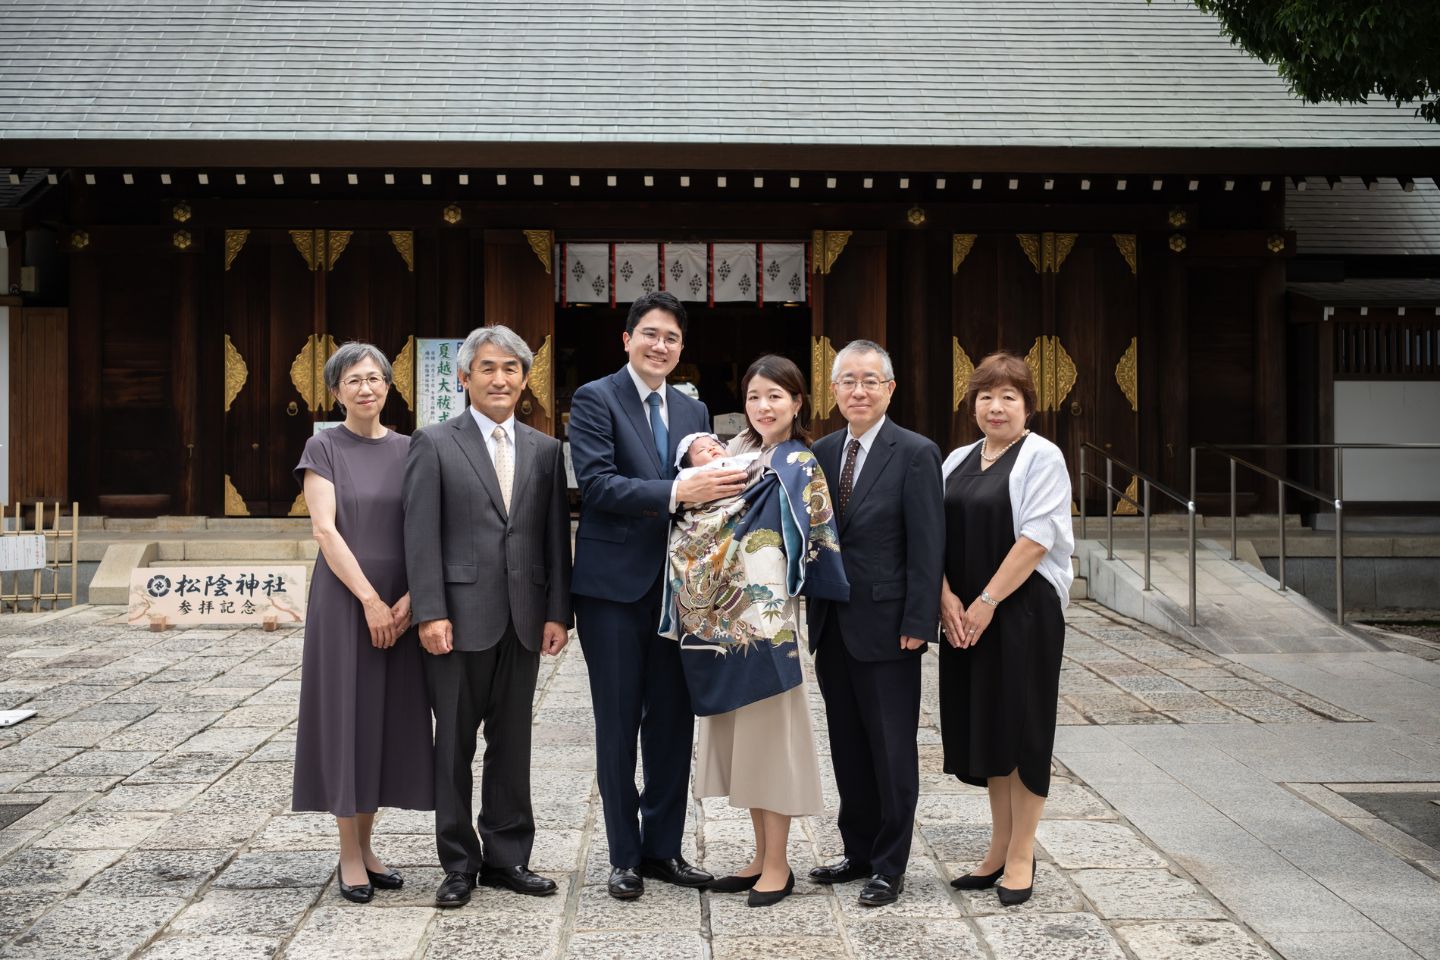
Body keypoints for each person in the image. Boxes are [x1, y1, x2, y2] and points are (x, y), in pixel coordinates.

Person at [568, 291, 744, 900]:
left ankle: (663, 848)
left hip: (680, 592)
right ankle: (623, 856)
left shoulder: (694, 412)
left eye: (671, 337)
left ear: (681, 347)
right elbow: (596, 485)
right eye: (649, 334)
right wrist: (678, 491)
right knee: (618, 722)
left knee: (671, 722)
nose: (660, 345)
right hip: (613, 591)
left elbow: (709, 497)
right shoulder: (595, 399)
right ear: (626, 339)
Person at [664, 354, 846, 908]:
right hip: (722, 620)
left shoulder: (798, 462)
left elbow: (815, 537)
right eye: (753, 397)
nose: (763, 407)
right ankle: (756, 853)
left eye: (775, 396)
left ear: (797, 403)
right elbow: (696, 512)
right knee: (743, 742)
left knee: (770, 744)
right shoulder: (739, 454)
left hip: (766, 628)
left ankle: (778, 863)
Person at [402, 324, 573, 909]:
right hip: (457, 619)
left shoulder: (546, 449)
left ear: (526, 380)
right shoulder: (433, 442)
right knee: (451, 743)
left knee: (512, 742)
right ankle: (457, 862)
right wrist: (429, 611)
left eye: (511, 370)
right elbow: (419, 536)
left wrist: (558, 613)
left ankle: (507, 856)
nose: (500, 379)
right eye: (488, 368)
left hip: (524, 619)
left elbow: (554, 539)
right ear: (464, 376)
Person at [292, 341, 433, 905]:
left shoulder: (412, 447)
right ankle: (349, 853)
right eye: (354, 380)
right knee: (347, 718)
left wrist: (410, 602)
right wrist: (373, 602)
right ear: (335, 391)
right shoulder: (322, 446)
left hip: (402, 607)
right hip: (346, 602)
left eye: (375, 378)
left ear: (390, 386)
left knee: (384, 721)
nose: (366, 388)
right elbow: (325, 531)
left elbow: (429, 526)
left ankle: (369, 847)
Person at [806, 339, 945, 908]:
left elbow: (928, 543)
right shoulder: (820, 451)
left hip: (890, 627)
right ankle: (857, 850)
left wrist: (920, 619)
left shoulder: (914, 452)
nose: (858, 391)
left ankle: (890, 864)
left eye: (870, 380)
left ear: (889, 389)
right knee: (847, 745)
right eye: (848, 381)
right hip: (832, 626)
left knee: (891, 749)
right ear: (833, 389)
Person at [938, 350, 1074, 908]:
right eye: (985, 397)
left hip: (1022, 611)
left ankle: (1023, 853)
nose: (996, 407)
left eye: (1009, 397)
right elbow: (932, 535)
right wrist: (946, 598)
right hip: (966, 614)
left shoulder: (1042, 456)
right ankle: (997, 848)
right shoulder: (955, 460)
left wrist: (987, 600)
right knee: (988, 727)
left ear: (1028, 407)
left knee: (1023, 729)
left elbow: (1036, 538)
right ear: (972, 405)